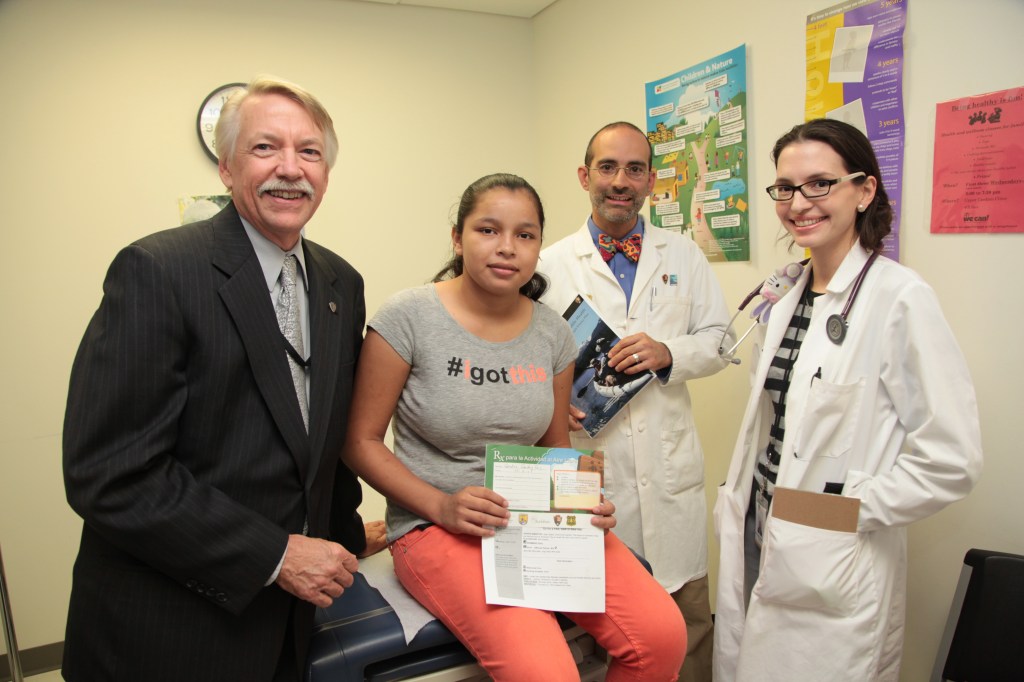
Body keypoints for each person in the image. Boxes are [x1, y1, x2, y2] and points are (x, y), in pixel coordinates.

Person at [62, 76, 370, 682]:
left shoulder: (341, 284)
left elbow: (322, 446)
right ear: (226, 169)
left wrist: (350, 539)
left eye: (309, 151)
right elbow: (111, 474)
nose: (291, 168)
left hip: (287, 626)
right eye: (264, 148)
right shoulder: (158, 271)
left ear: (327, 172)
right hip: (167, 632)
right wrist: (276, 555)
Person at [342, 173, 686, 681]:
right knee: (547, 673)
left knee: (662, 637)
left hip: (534, 520)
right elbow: (359, 443)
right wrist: (441, 504)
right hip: (432, 525)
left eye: (525, 235)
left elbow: (553, 447)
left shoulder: (552, 334)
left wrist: (581, 501)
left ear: (538, 247)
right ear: (458, 239)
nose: (507, 248)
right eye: (488, 230)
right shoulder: (407, 317)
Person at [712, 119, 983, 681]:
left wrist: (845, 512)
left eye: (820, 184)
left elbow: (952, 459)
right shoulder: (785, 294)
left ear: (864, 191)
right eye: (785, 187)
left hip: (832, 551)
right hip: (760, 524)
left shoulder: (900, 298)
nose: (798, 203)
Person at [537, 122, 733, 682]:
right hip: (585, 463)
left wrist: (668, 352)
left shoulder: (685, 254)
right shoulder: (548, 265)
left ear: (651, 180)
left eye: (635, 169)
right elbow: (520, 358)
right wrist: (548, 406)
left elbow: (719, 341)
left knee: (686, 624)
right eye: (608, 168)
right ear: (585, 176)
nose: (621, 181)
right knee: (596, 628)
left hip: (669, 470)